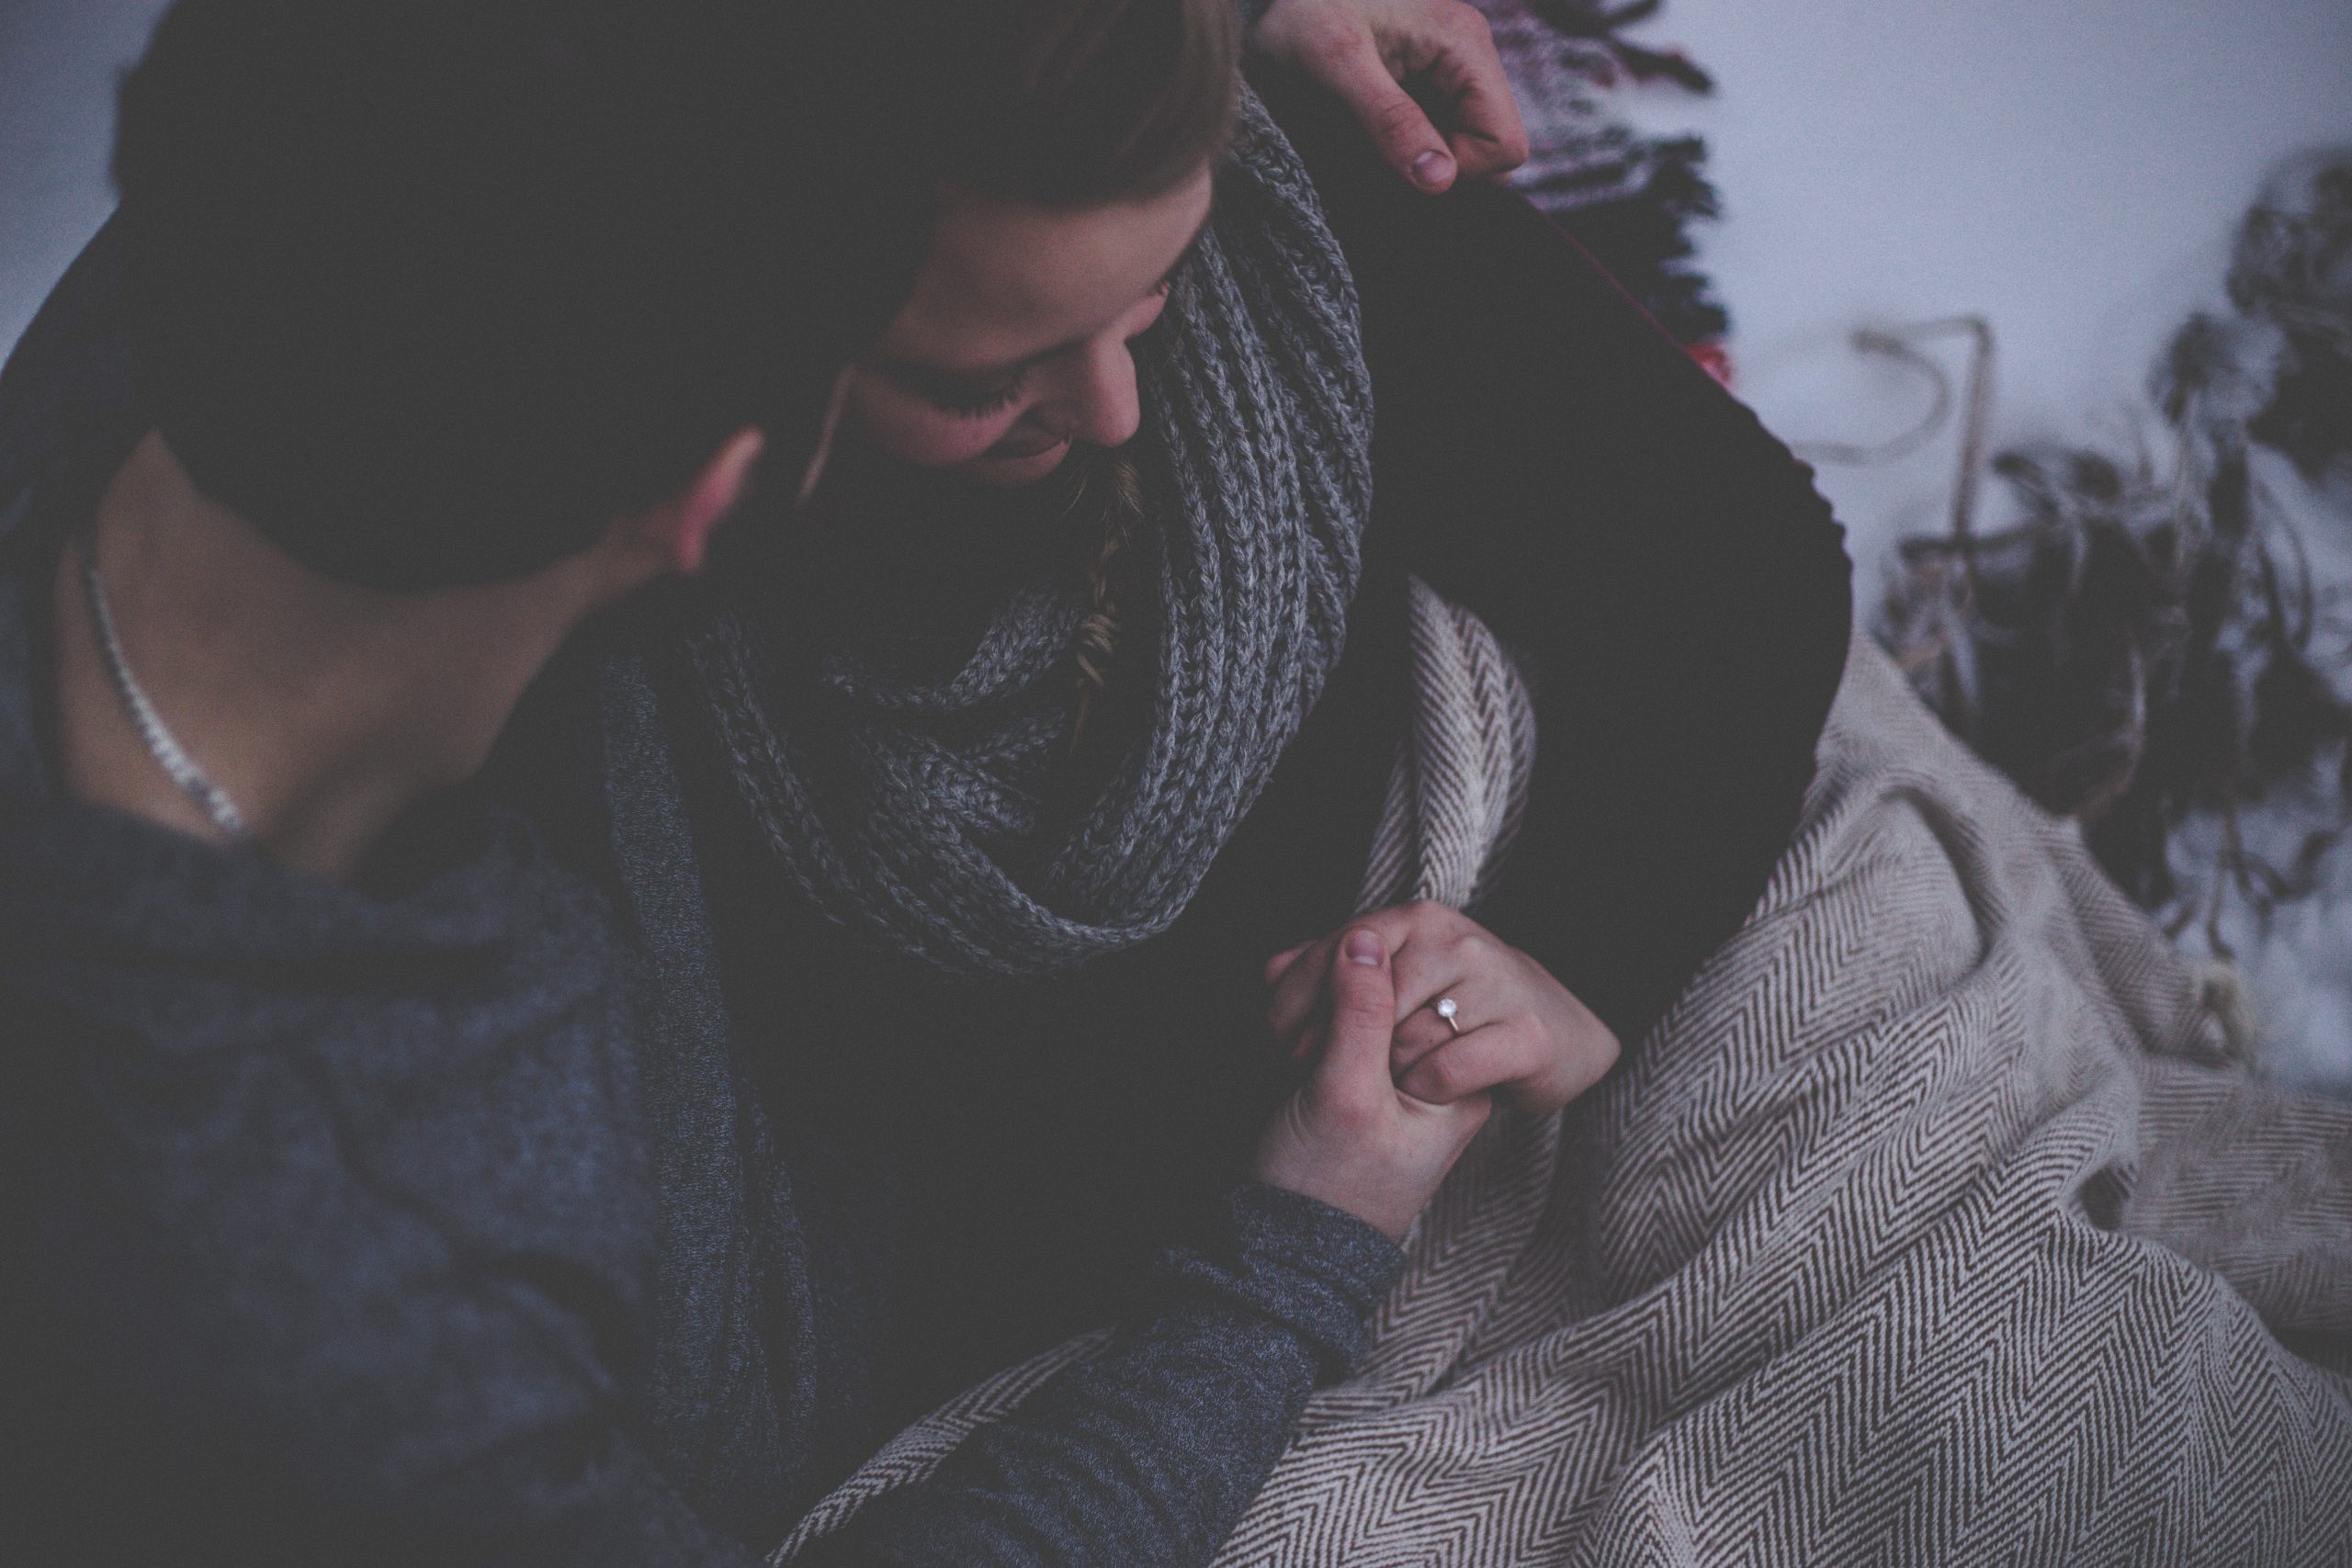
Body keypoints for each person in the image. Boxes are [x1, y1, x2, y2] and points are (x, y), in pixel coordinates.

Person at [0, 2, 1548, 1564]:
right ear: (721, 495)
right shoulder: (379, 1301)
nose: (1108, 412)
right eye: (966, 375)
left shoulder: (270, 223)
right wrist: (1294, 1266)